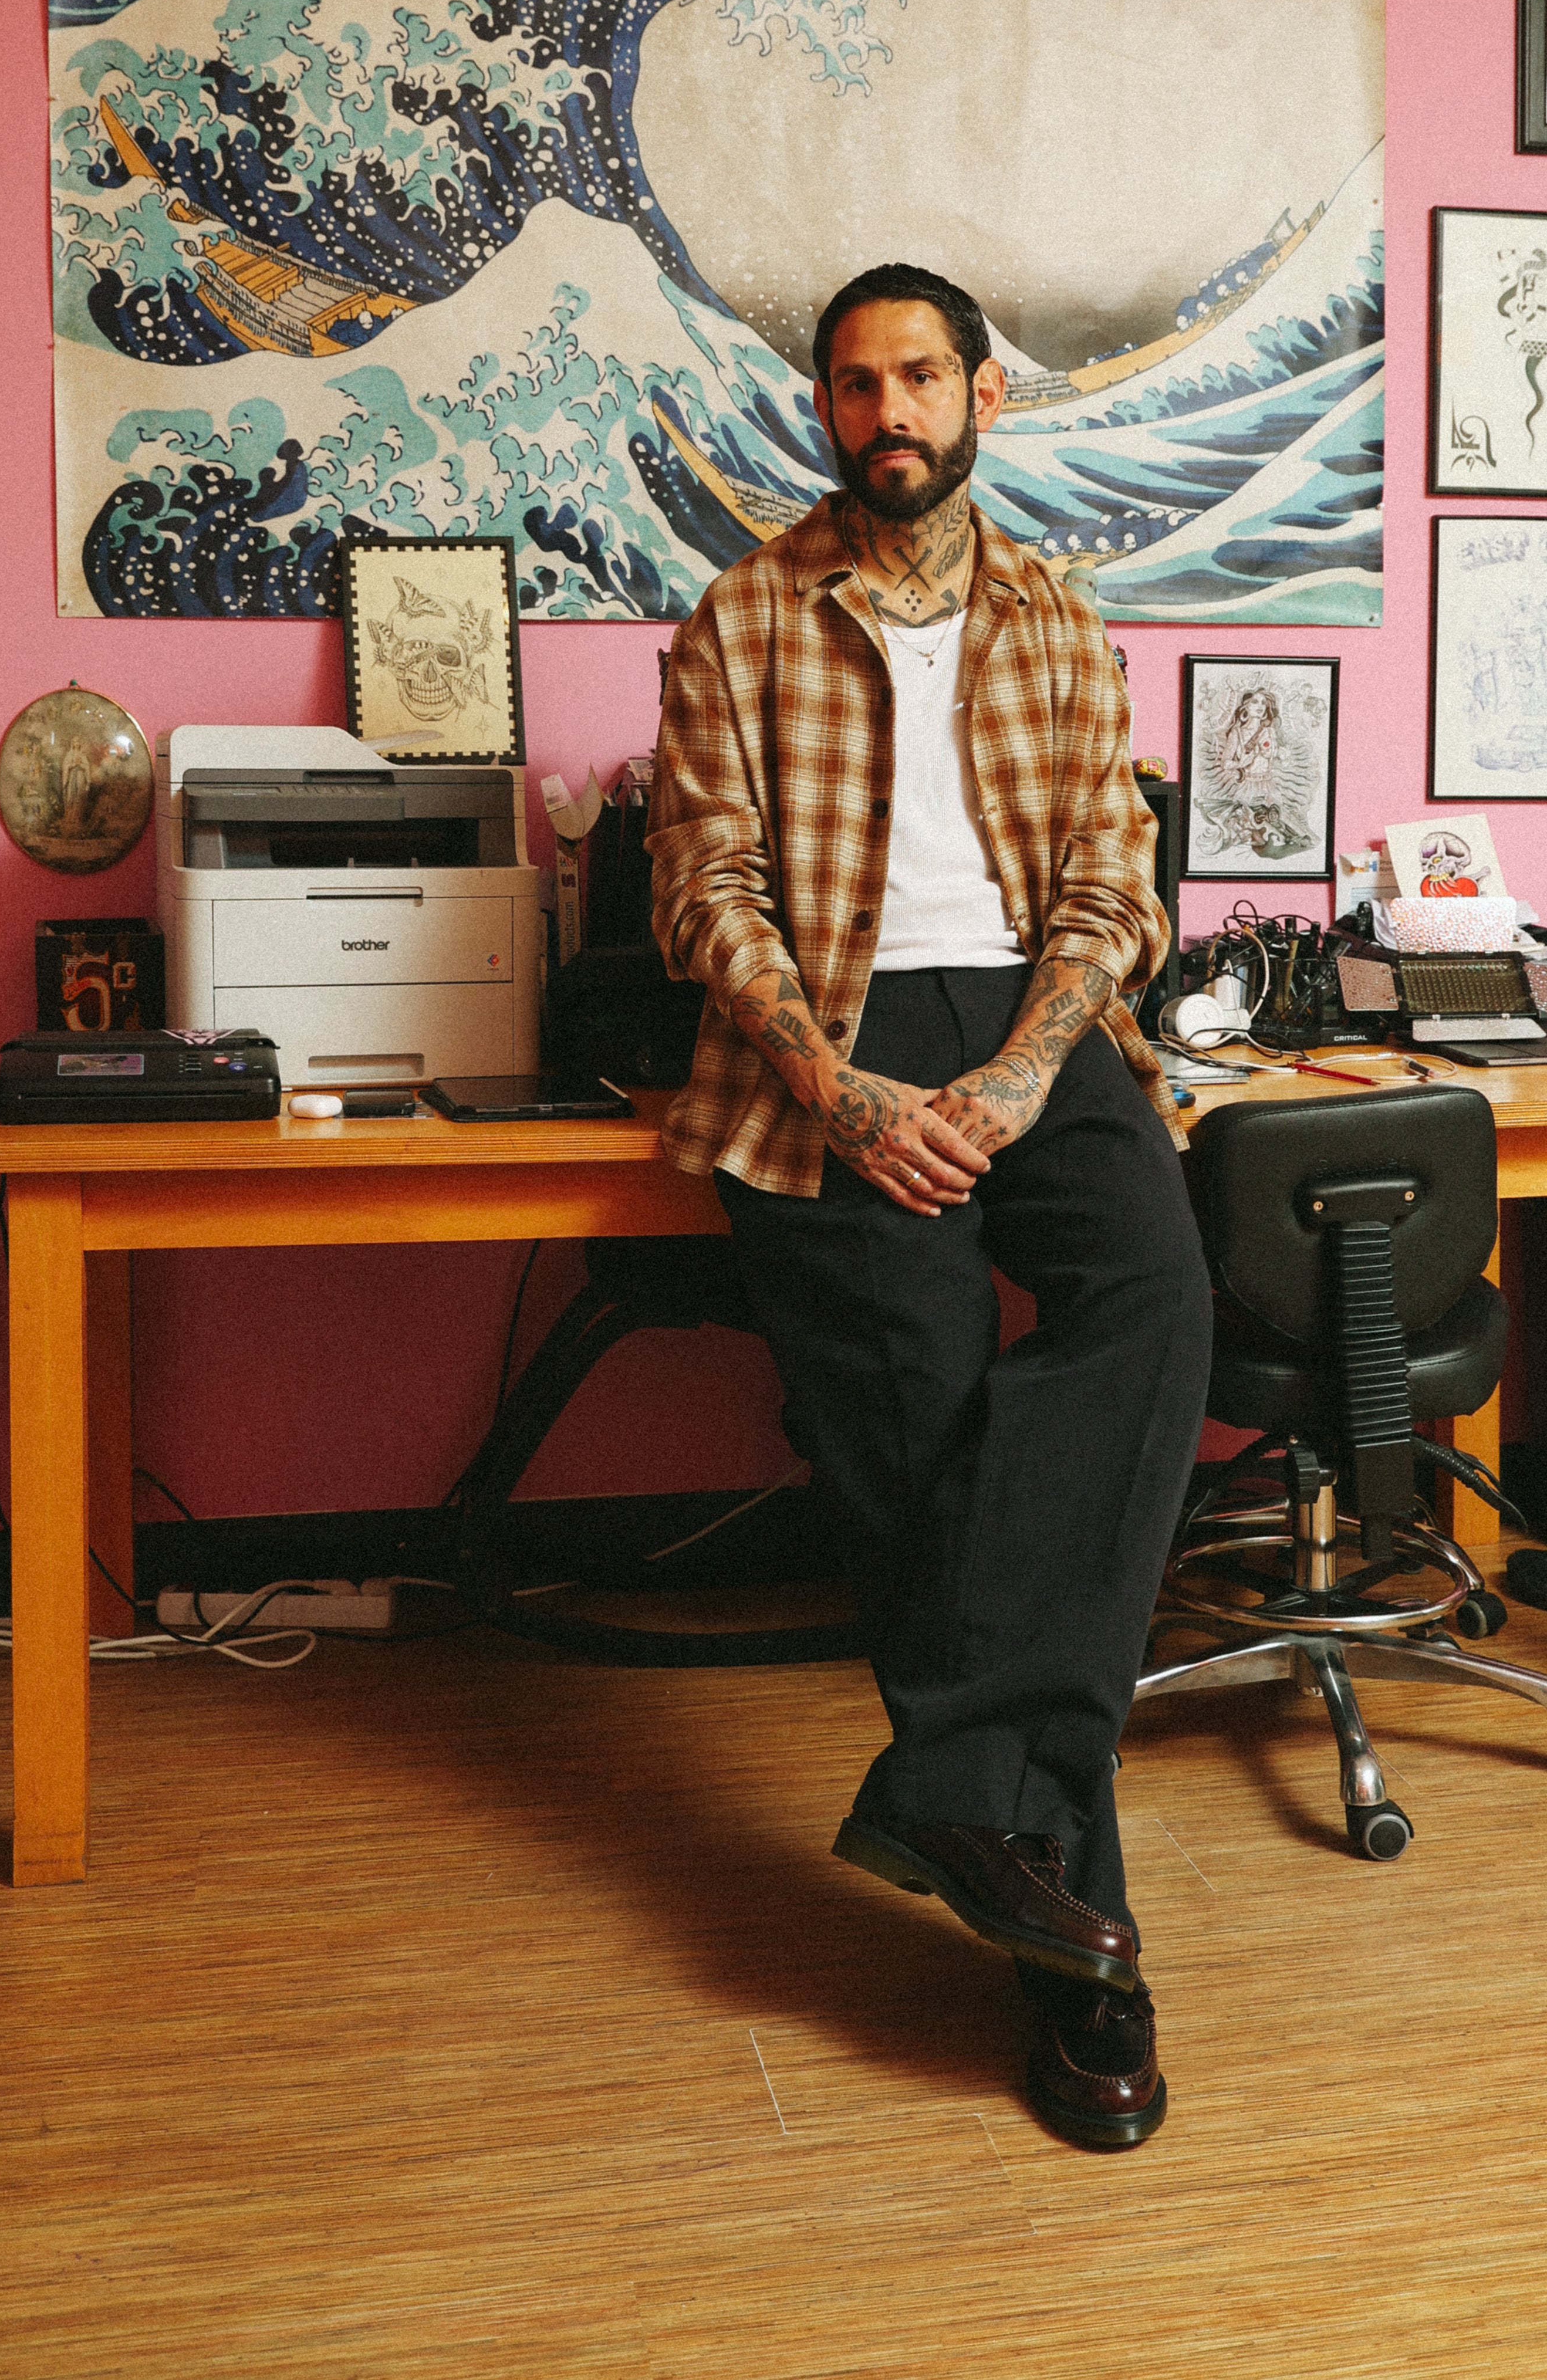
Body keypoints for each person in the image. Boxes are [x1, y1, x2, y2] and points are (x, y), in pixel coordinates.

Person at [647, 261, 1212, 2151]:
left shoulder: (1057, 614)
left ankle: (960, 1791)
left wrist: (1030, 1073)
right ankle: (1082, 1958)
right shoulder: (744, 615)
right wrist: (839, 1085)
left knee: (1157, 1300)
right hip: (831, 1032)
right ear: (824, 410)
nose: (883, 411)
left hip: (1038, 1035)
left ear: (983, 394)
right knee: (926, 1420)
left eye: (915, 377)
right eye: (851, 384)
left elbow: (1113, 883)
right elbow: (701, 883)